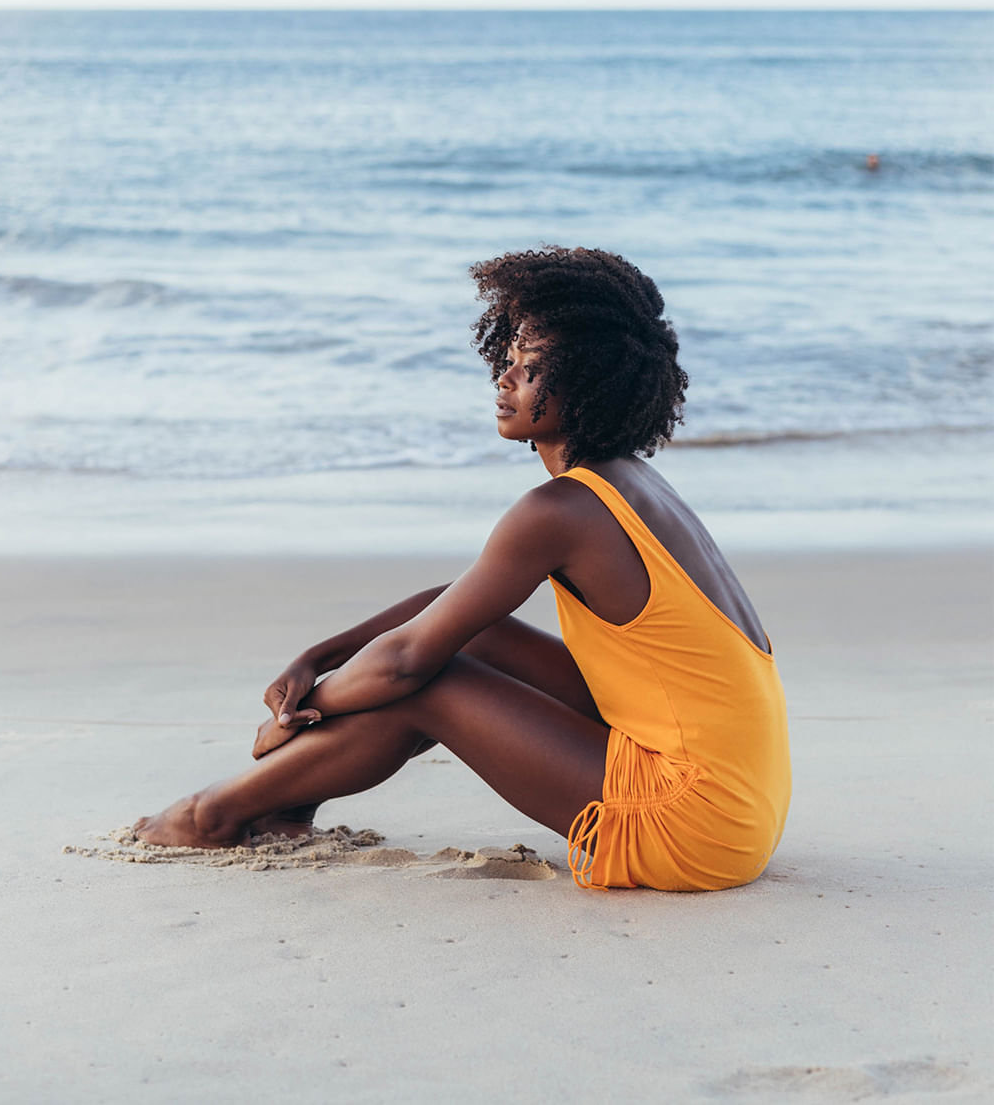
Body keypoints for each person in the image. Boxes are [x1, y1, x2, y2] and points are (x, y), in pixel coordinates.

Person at [135, 246, 791, 892]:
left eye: (530, 369)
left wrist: (301, 711)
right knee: (473, 636)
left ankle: (212, 812)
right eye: (506, 362)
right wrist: (319, 656)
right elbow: (454, 608)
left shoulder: (561, 509)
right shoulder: (626, 484)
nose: (504, 381)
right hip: (743, 804)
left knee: (427, 683)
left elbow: (405, 665)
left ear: (589, 380)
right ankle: (286, 801)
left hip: (695, 824)